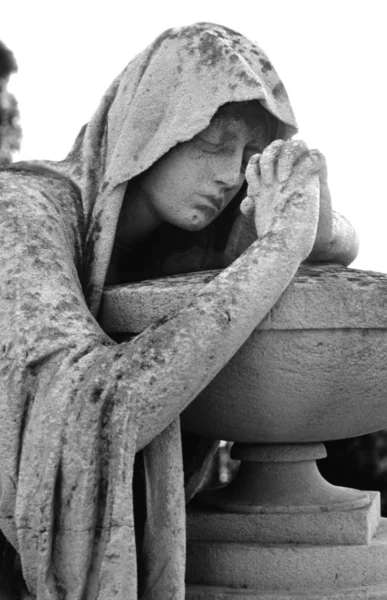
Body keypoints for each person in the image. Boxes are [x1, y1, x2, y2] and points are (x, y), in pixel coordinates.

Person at [0, 22, 358, 600]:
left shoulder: (180, 248)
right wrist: (274, 251)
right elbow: (96, 406)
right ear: (150, 129)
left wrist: (313, 218)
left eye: (246, 155)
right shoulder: (18, 213)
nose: (227, 174)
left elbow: (340, 243)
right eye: (212, 143)